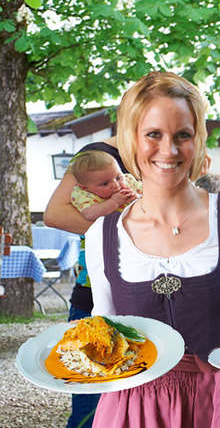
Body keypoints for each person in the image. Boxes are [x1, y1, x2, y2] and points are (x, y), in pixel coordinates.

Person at [87, 72, 220, 427]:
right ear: (131, 138)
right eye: (153, 135)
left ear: (198, 140)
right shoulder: (103, 235)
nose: (169, 150)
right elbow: (105, 335)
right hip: (133, 406)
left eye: (183, 135)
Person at [43, 137, 128, 428]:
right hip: (93, 295)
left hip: (135, 296)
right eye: (105, 183)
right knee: (89, 397)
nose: (114, 184)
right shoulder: (95, 169)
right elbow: (55, 214)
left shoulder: (126, 176)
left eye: (116, 178)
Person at [69, 150, 141, 221]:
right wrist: (114, 201)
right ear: (85, 188)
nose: (116, 185)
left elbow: (149, 193)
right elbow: (89, 215)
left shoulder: (129, 181)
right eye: (105, 183)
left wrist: (137, 197)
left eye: (118, 178)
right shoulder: (84, 195)